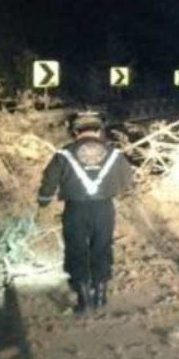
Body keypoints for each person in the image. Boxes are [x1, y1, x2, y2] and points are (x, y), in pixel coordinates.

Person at [37, 110, 134, 313]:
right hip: (104, 208)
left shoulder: (64, 153)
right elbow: (127, 181)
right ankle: (100, 293)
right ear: (99, 129)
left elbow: (49, 180)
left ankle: (83, 297)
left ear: (74, 130)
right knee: (102, 247)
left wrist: (44, 202)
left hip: (75, 209)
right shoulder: (114, 154)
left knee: (76, 249)